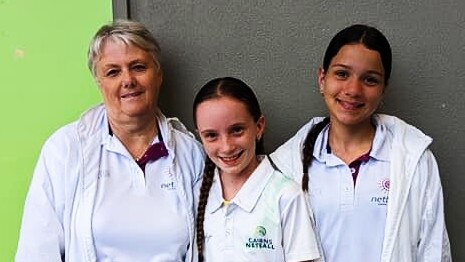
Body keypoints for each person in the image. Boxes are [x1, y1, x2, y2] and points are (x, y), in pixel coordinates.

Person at [15, 20, 204, 261]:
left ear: (158, 75)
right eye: (113, 72)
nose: (128, 80)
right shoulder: (65, 150)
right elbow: (37, 251)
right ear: (99, 82)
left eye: (138, 67)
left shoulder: (191, 154)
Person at [271, 24, 451, 261]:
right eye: (342, 74)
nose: (353, 90)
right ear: (322, 78)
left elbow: (434, 249)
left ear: (383, 89)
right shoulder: (285, 165)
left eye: (370, 80)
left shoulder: (414, 159)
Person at [193, 77, 321, 262]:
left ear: (259, 127)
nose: (226, 147)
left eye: (237, 130)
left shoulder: (285, 195)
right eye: (211, 135)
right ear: (200, 137)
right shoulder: (197, 193)